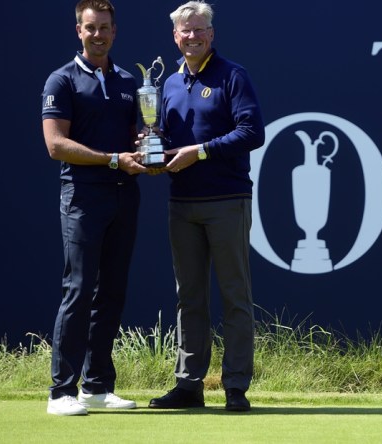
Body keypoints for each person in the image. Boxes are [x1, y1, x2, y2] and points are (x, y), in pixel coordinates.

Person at [146, 1, 265, 412]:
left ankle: (235, 386)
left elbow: (252, 132)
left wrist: (200, 152)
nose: (192, 37)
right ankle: (188, 385)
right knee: (189, 297)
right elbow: (161, 133)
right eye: (185, 31)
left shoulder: (233, 76)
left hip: (227, 200)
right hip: (182, 203)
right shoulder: (170, 84)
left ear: (211, 34)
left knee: (234, 295)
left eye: (199, 30)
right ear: (175, 37)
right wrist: (150, 147)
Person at [41, 0, 146, 416]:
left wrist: (142, 145)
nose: (98, 34)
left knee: (112, 292)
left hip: (124, 193)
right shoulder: (62, 80)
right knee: (79, 289)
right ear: (79, 32)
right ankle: (60, 392)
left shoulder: (126, 81)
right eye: (90, 28)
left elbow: (134, 135)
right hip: (83, 195)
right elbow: (55, 144)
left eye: (105, 27)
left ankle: (98, 385)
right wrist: (111, 158)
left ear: (114, 31)